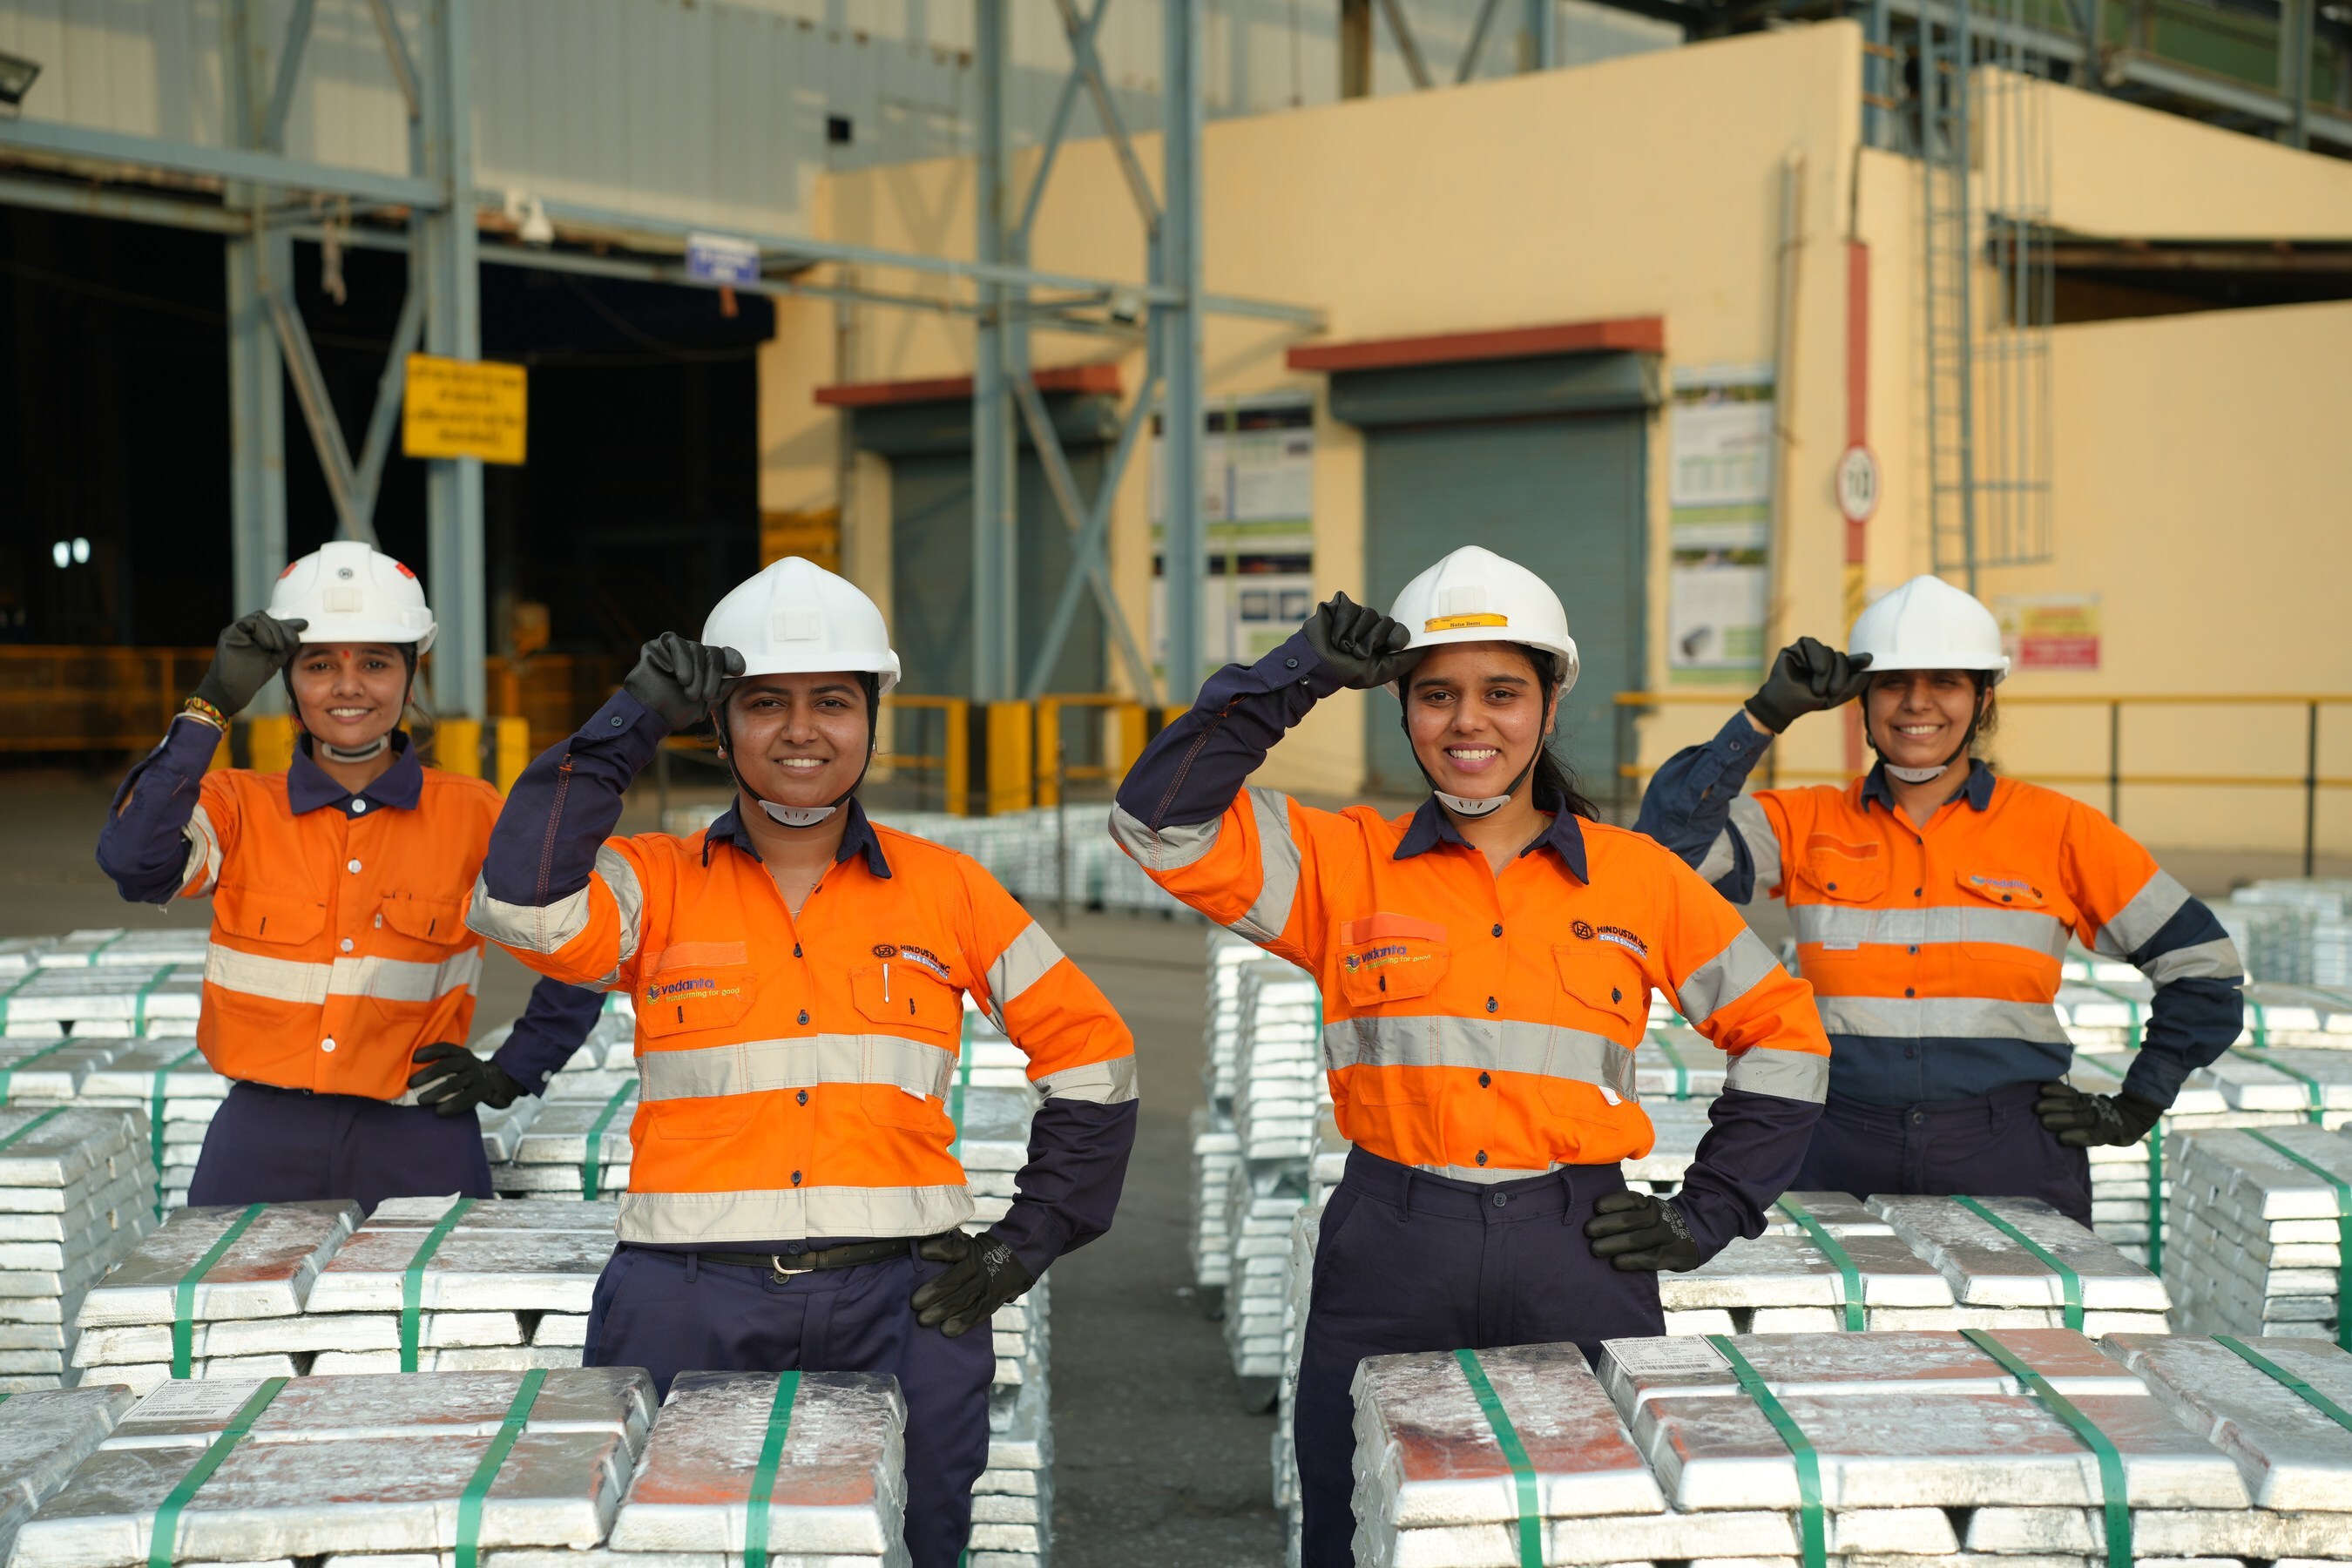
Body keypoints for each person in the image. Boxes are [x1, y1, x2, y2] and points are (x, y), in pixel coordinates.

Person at [1109, 545, 1832, 1568]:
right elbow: (1155, 821)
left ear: (1546, 706)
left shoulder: (1637, 880)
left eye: (1502, 692)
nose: (1469, 722)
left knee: (1597, 1530)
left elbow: (1786, 1036)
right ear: (1402, 712)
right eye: (1437, 695)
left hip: (1579, 1248)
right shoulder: (1337, 863)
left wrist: (1706, 1212)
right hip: (1393, 1246)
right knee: (1362, 1525)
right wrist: (1295, 674)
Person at [466, 555, 1137, 1568]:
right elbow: (521, 899)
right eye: (764, 703)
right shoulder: (650, 883)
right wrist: (630, 717)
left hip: (905, 1306)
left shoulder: (949, 891)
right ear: (719, 724)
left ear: (872, 717)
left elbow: (1096, 1057)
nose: (801, 731)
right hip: (683, 1298)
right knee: (669, 1549)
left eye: (833, 701)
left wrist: (1030, 1238)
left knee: (914, 1546)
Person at [1632, 572, 2242, 1223]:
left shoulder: (2060, 829)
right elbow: (1664, 854)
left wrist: (2136, 1104)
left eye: (1945, 682)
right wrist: (1762, 717)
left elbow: (2203, 965)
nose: (1917, 704)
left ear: (1981, 702)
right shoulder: (1804, 820)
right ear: (1862, 702)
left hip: (2008, 1148)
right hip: (1834, 1141)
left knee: (2023, 1330)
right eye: (1893, 683)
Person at [93, 541, 604, 1211]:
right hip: (259, 1140)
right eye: (320, 664)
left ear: (409, 676)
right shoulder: (236, 805)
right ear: (287, 680)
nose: (348, 685)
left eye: (375, 662)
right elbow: (134, 863)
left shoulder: (475, 813)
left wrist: (516, 1068)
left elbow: (585, 947)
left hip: (421, 1139)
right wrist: (210, 704)